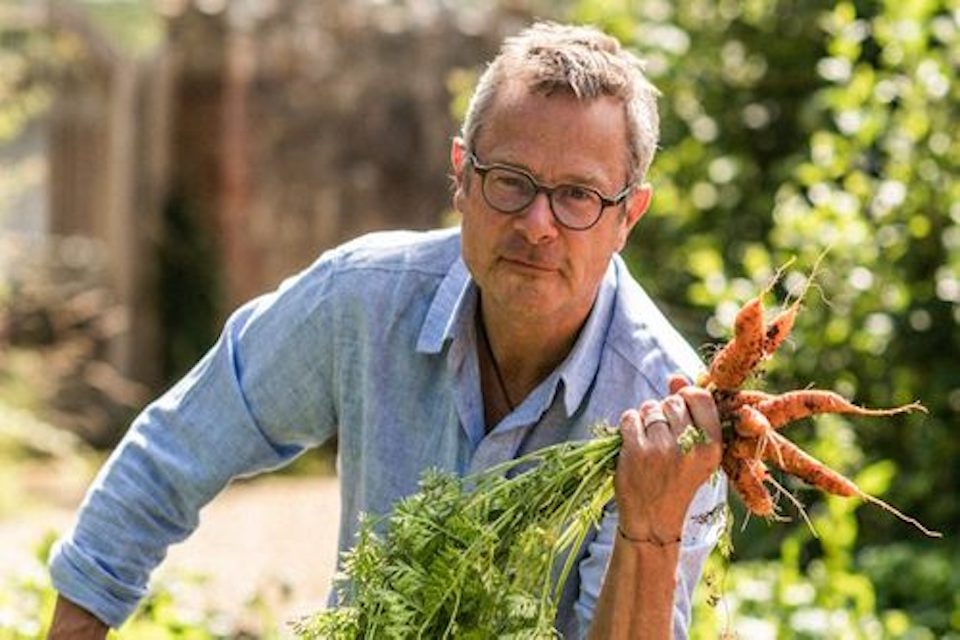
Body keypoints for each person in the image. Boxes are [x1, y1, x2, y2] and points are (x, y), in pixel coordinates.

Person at [48, 21, 726, 639]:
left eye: (577, 195)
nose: (537, 224)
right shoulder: (363, 299)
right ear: (461, 176)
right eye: (510, 181)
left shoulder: (665, 418)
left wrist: (651, 528)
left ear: (627, 217)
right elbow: (177, 448)